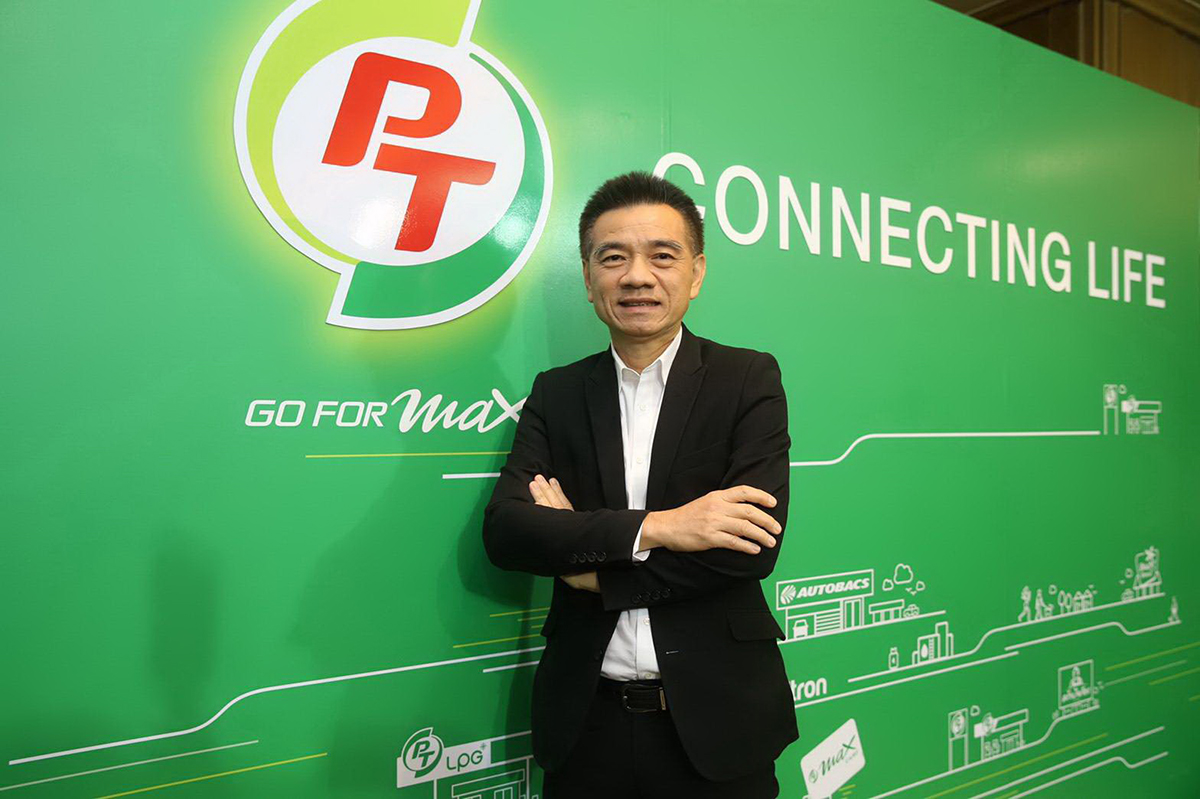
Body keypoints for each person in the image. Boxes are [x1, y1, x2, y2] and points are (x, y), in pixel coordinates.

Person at [482, 171, 796, 797]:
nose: (637, 277)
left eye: (662, 256)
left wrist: (593, 574)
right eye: (613, 258)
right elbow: (509, 533)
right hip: (585, 723)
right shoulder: (557, 393)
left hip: (718, 724)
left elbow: (749, 549)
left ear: (696, 273)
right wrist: (664, 527)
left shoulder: (746, 380)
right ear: (588, 277)